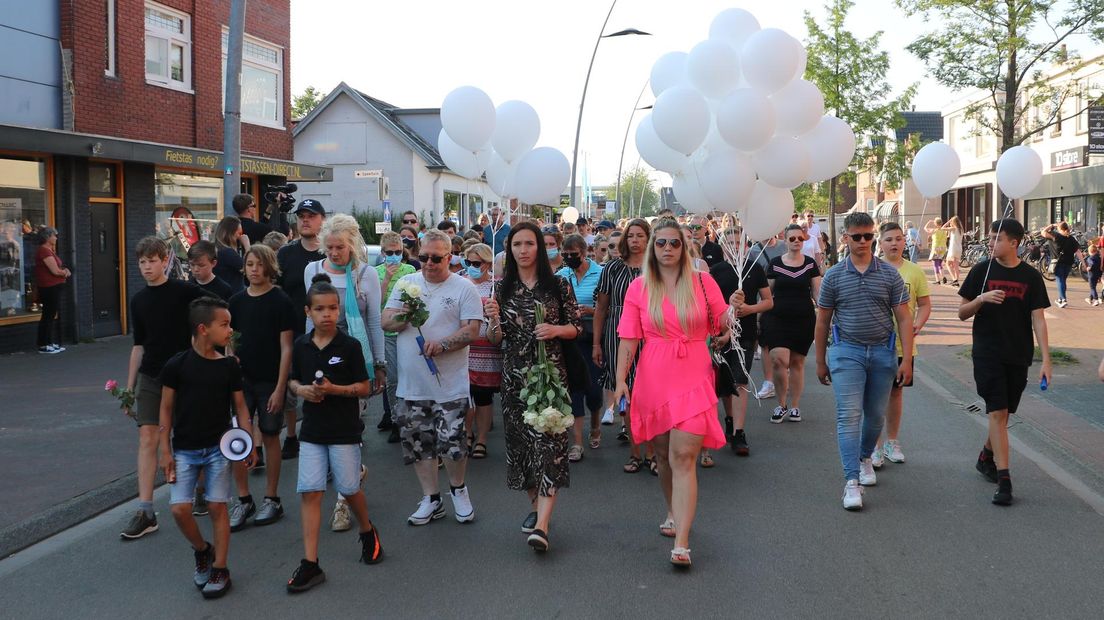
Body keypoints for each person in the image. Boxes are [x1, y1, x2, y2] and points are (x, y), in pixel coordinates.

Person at [613, 220, 734, 567]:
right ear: (653, 247)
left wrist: (735, 307)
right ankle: (671, 508)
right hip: (653, 376)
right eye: (661, 243)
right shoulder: (639, 288)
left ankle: (682, 541)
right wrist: (621, 380)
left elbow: (722, 321)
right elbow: (628, 338)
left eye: (675, 243)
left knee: (683, 456)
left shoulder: (702, 281)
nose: (667, 248)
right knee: (663, 456)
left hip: (694, 373)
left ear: (685, 248)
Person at [483, 222, 581, 552]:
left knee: (550, 447)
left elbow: (576, 328)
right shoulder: (501, 289)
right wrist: (493, 319)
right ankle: (537, 508)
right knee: (524, 448)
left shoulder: (559, 285)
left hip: (550, 377)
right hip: (514, 380)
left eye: (529, 243)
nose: (523, 250)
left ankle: (541, 525)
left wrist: (555, 330)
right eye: (516, 245)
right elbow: (495, 339)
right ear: (509, 250)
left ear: (539, 247)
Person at [286, 275, 383, 593]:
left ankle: (368, 531)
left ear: (339, 310)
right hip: (312, 430)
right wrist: (302, 389)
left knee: (349, 487)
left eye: (332, 308)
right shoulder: (301, 346)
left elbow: (365, 388)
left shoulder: (350, 346)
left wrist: (334, 389)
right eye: (319, 309)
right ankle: (311, 563)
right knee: (311, 492)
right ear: (307, 312)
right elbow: (293, 381)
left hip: (344, 430)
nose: (326, 314)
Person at [382, 229, 483, 526]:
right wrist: (407, 315)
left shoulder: (464, 288)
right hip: (412, 385)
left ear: (449, 258)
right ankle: (431, 498)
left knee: (452, 443)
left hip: (450, 385)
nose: (428, 263)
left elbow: (472, 330)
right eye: (423, 257)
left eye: (436, 258)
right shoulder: (406, 283)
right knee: (419, 443)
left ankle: (458, 490)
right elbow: (386, 320)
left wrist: (443, 344)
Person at [158, 297, 256, 598]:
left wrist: (247, 441)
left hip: (218, 449)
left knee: (216, 506)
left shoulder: (229, 366)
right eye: (224, 325)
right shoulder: (177, 365)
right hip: (185, 449)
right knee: (179, 509)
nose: (230, 330)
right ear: (203, 329)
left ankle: (221, 567)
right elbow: (165, 409)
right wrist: (165, 450)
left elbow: (241, 407)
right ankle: (202, 549)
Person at [815, 212, 914, 511]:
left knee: (875, 417)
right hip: (847, 352)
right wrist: (820, 361)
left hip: (882, 352)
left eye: (868, 236)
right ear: (845, 238)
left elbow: (904, 317)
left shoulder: (888, 274)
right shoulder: (833, 276)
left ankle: (864, 457)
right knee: (849, 416)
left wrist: (906, 358)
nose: (863, 242)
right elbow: (822, 322)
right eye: (856, 236)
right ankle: (851, 482)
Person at [958, 219, 1051, 506]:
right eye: (990, 239)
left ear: (1015, 242)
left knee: (1005, 413)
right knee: (997, 412)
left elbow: (1038, 318)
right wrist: (981, 299)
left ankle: (987, 455)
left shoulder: (1031, 277)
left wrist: (1046, 359)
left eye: (997, 239)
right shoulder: (980, 271)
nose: (990, 243)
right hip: (987, 353)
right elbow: (962, 312)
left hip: (1018, 354)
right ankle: (1005, 479)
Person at [303, 214, 387, 530]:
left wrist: (379, 366)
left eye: (340, 247)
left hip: (354, 361)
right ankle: (352, 473)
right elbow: (307, 316)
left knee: (349, 429)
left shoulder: (366, 275)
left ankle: (342, 500)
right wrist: (303, 358)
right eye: (330, 247)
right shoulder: (312, 270)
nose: (334, 253)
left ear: (352, 245)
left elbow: (375, 323)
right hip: (319, 359)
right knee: (324, 424)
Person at [122, 237, 205, 539]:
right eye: (142, 262)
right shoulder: (138, 300)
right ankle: (145, 510)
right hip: (151, 375)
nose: (146, 267)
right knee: (148, 436)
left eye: (152, 261)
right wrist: (129, 388)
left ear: (165, 260)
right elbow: (138, 346)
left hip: (183, 373)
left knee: (187, 435)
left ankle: (200, 489)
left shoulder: (185, 292)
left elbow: (212, 312)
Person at [226, 245, 295, 531]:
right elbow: (229, 338)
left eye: (258, 264)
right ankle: (243, 499)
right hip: (242, 380)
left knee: (269, 434)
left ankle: (272, 498)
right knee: (238, 438)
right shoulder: (236, 301)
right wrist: (230, 362)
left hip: (269, 379)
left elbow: (286, 346)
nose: (253, 269)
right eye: (249, 264)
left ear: (269, 267)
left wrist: (281, 388)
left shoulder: (280, 301)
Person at [593, 218, 655, 473]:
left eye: (641, 235)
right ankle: (634, 452)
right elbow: (601, 307)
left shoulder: (657, 267)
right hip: (617, 332)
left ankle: (653, 454)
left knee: (650, 395)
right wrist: (596, 343)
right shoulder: (613, 268)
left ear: (648, 238)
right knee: (625, 393)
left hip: (651, 333)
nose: (635, 240)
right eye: (631, 236)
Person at [706, 226, 772, 459]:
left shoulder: (754, 269)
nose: (735, 247)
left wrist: (749, 309)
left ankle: (739, 432)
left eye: (738, 243)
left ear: (745, 246)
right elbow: (708, 305)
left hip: (746, 332)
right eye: (730, 243)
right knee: (725, 381)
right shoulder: (715, 271)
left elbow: (768, 301)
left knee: (741, 379)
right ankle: (730, 419)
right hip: (718, 332)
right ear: (722, 246)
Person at [870, 223, 931, 469]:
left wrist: (917, 324)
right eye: (888, 240)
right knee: (873, 396)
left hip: (902, 346)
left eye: (898, 239)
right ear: (880, 243)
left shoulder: (915, 272)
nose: (894, 244)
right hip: (874, 343)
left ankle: (892, 442)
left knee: (896, 393)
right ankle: (873, 446)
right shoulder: (871, 269)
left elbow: (925, 304)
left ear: (905, 242)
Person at [276, 199, 327, 459]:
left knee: (320, 382)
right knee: (290, 385)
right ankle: (293, 436)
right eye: (302, 216)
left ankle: (322, 432)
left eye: (311, 215)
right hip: (293, 330)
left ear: (322, 220)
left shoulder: (329, 253)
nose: (306, 220)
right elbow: (277, 292)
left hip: (325, 333)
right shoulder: (286, 254)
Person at [760, 224, 822, 423]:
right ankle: (781, 404)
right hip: (777, 317)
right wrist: (757, 316)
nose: (796, 241)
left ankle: (794, 406)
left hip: (803, 318)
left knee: (797, 362)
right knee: (779, 359)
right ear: (784, 240)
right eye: (792, 238)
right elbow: (767, 293)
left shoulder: (811, 264)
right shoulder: (776, 263)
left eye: (800, 239)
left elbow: (816, 292)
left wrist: (825, 314)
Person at [557, 233, 604, 461]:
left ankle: (595, 421)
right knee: (574, 390)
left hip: (594, 337)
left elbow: (608, 308)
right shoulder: (561, 274)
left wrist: (590, 310)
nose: (569, 258)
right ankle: (576, 443)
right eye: (565, 255)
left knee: (594, 389)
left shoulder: (601, 273)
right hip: (570, 338)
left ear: (585, 253)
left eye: (573, 255)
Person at [375, 231, 417, 444]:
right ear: (383, 253)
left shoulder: (410, 269)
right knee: (392, 379)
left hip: (408, 330)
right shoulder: (376, 272)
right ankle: (395, 420)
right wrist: (388, 279)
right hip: (388, 333)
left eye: (398, 252)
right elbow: (376, 303)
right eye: (389, 252)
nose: (394, 256)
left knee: (410, 375)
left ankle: (410, 418)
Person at [461, 243, 501, 459]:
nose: (472, 267)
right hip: (463, 349)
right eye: (468, 263)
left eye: (476, 263)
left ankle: (482, 438)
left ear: (487, 264)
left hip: (487, 349)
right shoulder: (460, 283)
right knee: (465, 395)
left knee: (483, 396)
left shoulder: (497, 286)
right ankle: (467, 433)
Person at [33, 226, 70, 354]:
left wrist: (63, 271)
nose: (56, 238)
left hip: (53, 287)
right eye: (54, 235)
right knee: (48, 315)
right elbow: (54, 271)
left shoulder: (49, 250)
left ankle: (48, 342)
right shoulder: (44, 251)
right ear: (48, 237)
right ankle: (43, 344)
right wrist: (65, 272)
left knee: (50, 315)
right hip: (49, 287)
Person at [1042, 221, 1084, 308]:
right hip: (1069, 263)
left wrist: (1052, 225)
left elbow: (1043, 232)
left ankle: (1063, 299)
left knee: (1060, 280)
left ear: (1060, 229)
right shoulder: (1072, 239)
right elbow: (1078, 252)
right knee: (1063, 281)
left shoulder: (1056, 236)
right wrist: (1083, 263)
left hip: (1058, 262)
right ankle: (1060, 299)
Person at [213, 216, 247, 294]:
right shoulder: (227, 252)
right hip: (232, 296)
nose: (240, 236)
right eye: (239, 233)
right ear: (231, 234)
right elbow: (248, 268)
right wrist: (247, 245)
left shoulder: (216, 249)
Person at [925, 218, 948, 284]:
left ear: (935, 223)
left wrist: (929, 221)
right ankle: (943, 276)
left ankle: (938, 280)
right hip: (943, 248)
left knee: (935, 264)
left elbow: (925, 228)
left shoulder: (934, 230)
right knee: (940, 264)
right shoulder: (944, 231)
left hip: (936, 248)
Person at [942, 216, 964, 286]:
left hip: (953, 248)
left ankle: (955, 279)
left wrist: (948, 222)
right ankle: (956, 280)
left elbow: (942, 228)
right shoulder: (961, 229)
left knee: (948, 264)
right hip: (959, 248)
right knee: (956, 265)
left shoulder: (953, 228)